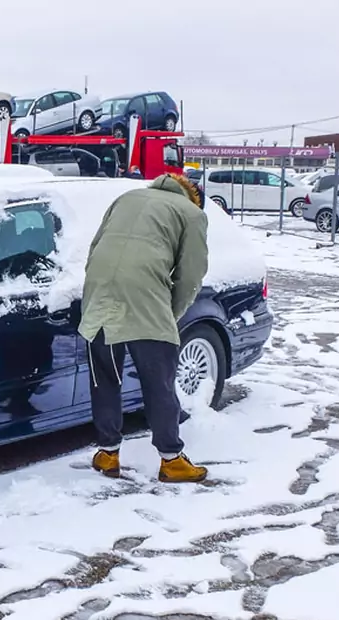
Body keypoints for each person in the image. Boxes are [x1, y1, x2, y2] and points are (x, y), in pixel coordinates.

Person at [80, 173, 209, 483]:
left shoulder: (125, 198)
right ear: (193, 196)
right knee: (158, 383)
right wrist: (170, 314)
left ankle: (107, 453)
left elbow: (94, 249)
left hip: (99, 292)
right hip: (146, 297)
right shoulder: (192, 213)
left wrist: (98, 291)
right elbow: (191, 275)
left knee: (105, 378)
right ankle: (171, 459)